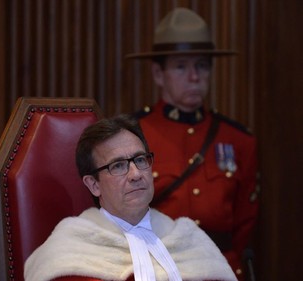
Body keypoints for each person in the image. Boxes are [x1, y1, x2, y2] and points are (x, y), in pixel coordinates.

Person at [126, 7, 259, 280]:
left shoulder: (238, 140)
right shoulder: (132, 135)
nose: (195, 77)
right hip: (154, 268)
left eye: (201, 65)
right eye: (181, 66)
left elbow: (245, 221)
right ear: (158, 74)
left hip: (219, 269)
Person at [24, 115, 237, 281]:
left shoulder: (187, 238)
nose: (136, 174)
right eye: (118, 166)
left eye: (140, 160)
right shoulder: (68, 250)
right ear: (94, 184)